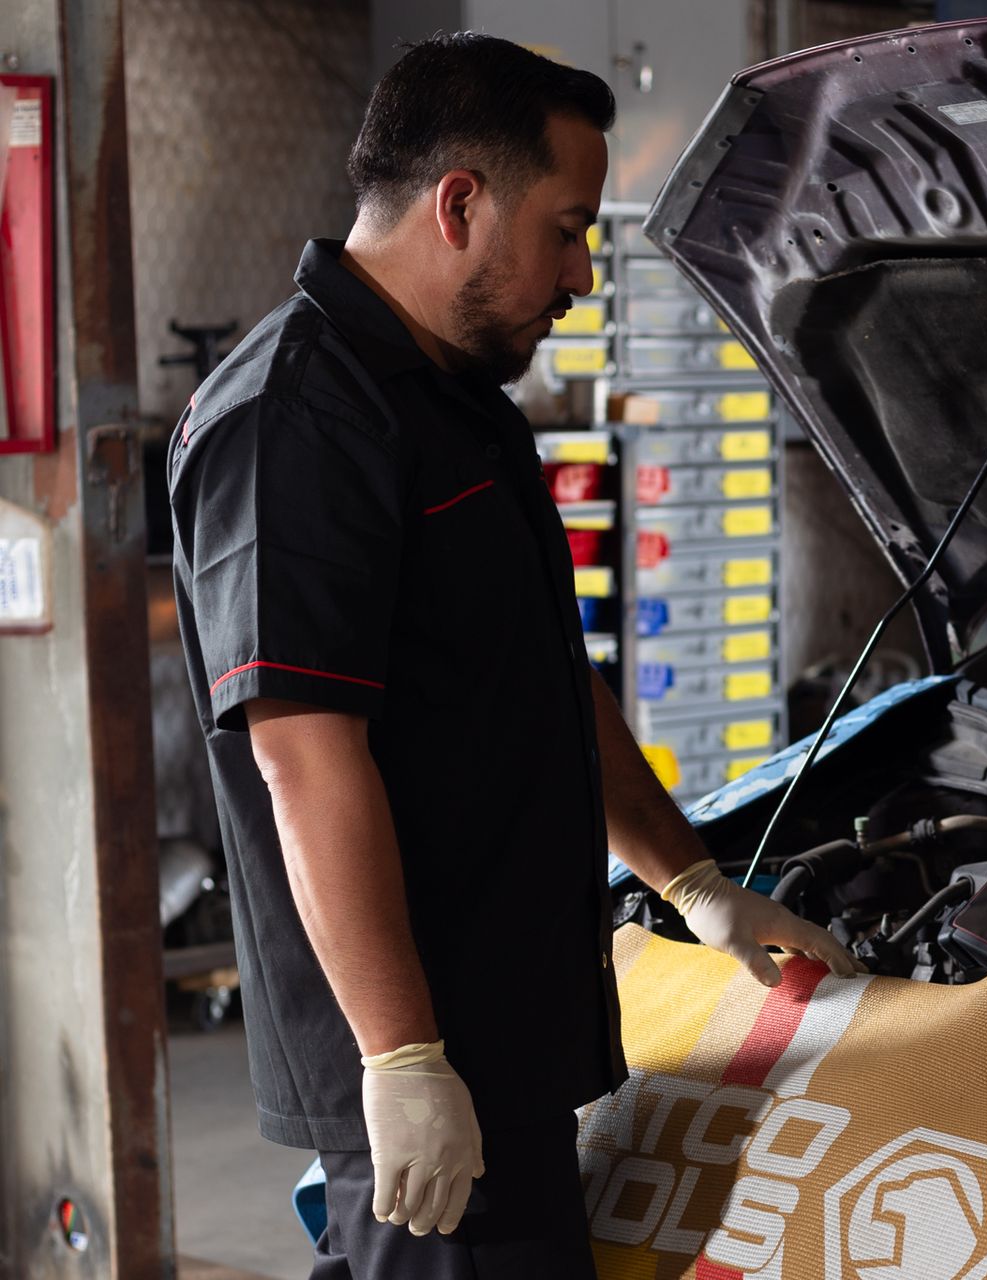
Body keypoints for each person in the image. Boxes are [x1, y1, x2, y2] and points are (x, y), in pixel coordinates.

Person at [166, 34, 856, 1278]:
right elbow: (305, 758)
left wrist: (694, 881)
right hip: (434, 1067)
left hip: (505, 1039)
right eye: (569, 228)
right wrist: (402, 1056)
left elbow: (545, 679)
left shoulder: (458, 400)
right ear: (460, 204)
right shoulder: (297, 420)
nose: (582, 274)